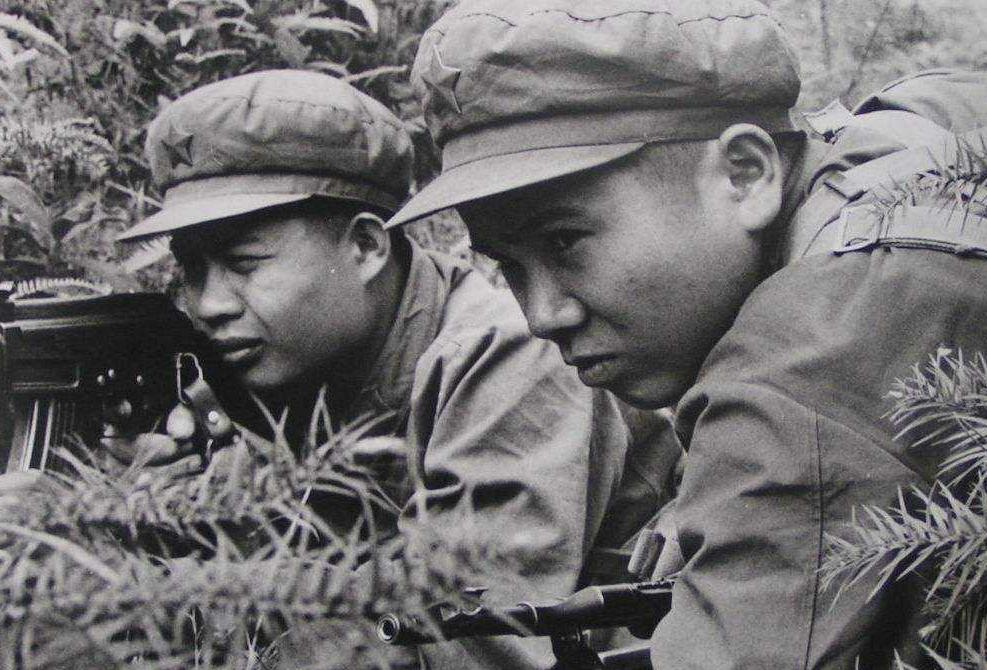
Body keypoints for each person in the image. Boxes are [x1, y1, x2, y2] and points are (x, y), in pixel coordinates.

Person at [386, 1, 987, 667]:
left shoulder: (804, 365)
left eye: (563, 241)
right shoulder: (907, 135)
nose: (540, 316)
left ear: (745, 173)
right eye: (510, 267)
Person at [110, 70, 681, 668]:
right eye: (192, 271)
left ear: (365, 247)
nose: (208, 304)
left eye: (243, 263)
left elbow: (458, 637)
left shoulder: (507, 357)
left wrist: (159, 600)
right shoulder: (290, 368)